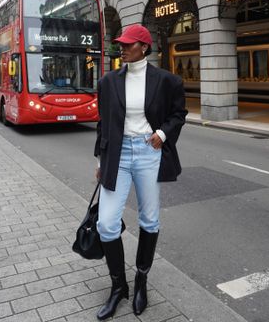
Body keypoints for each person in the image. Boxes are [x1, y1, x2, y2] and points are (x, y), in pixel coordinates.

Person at [94, 24, 187, 320]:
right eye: (120, 44)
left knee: (149, 219)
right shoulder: (108, 81)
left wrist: (162, 132)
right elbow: (103, 123)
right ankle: (118, 286)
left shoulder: (167, 81)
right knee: (106, 224)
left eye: (128, 44)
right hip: (117, 155)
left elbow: (178, 114)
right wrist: (100, 161)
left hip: (149, 152)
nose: (121, 48)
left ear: (144, 47)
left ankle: (141, 282)